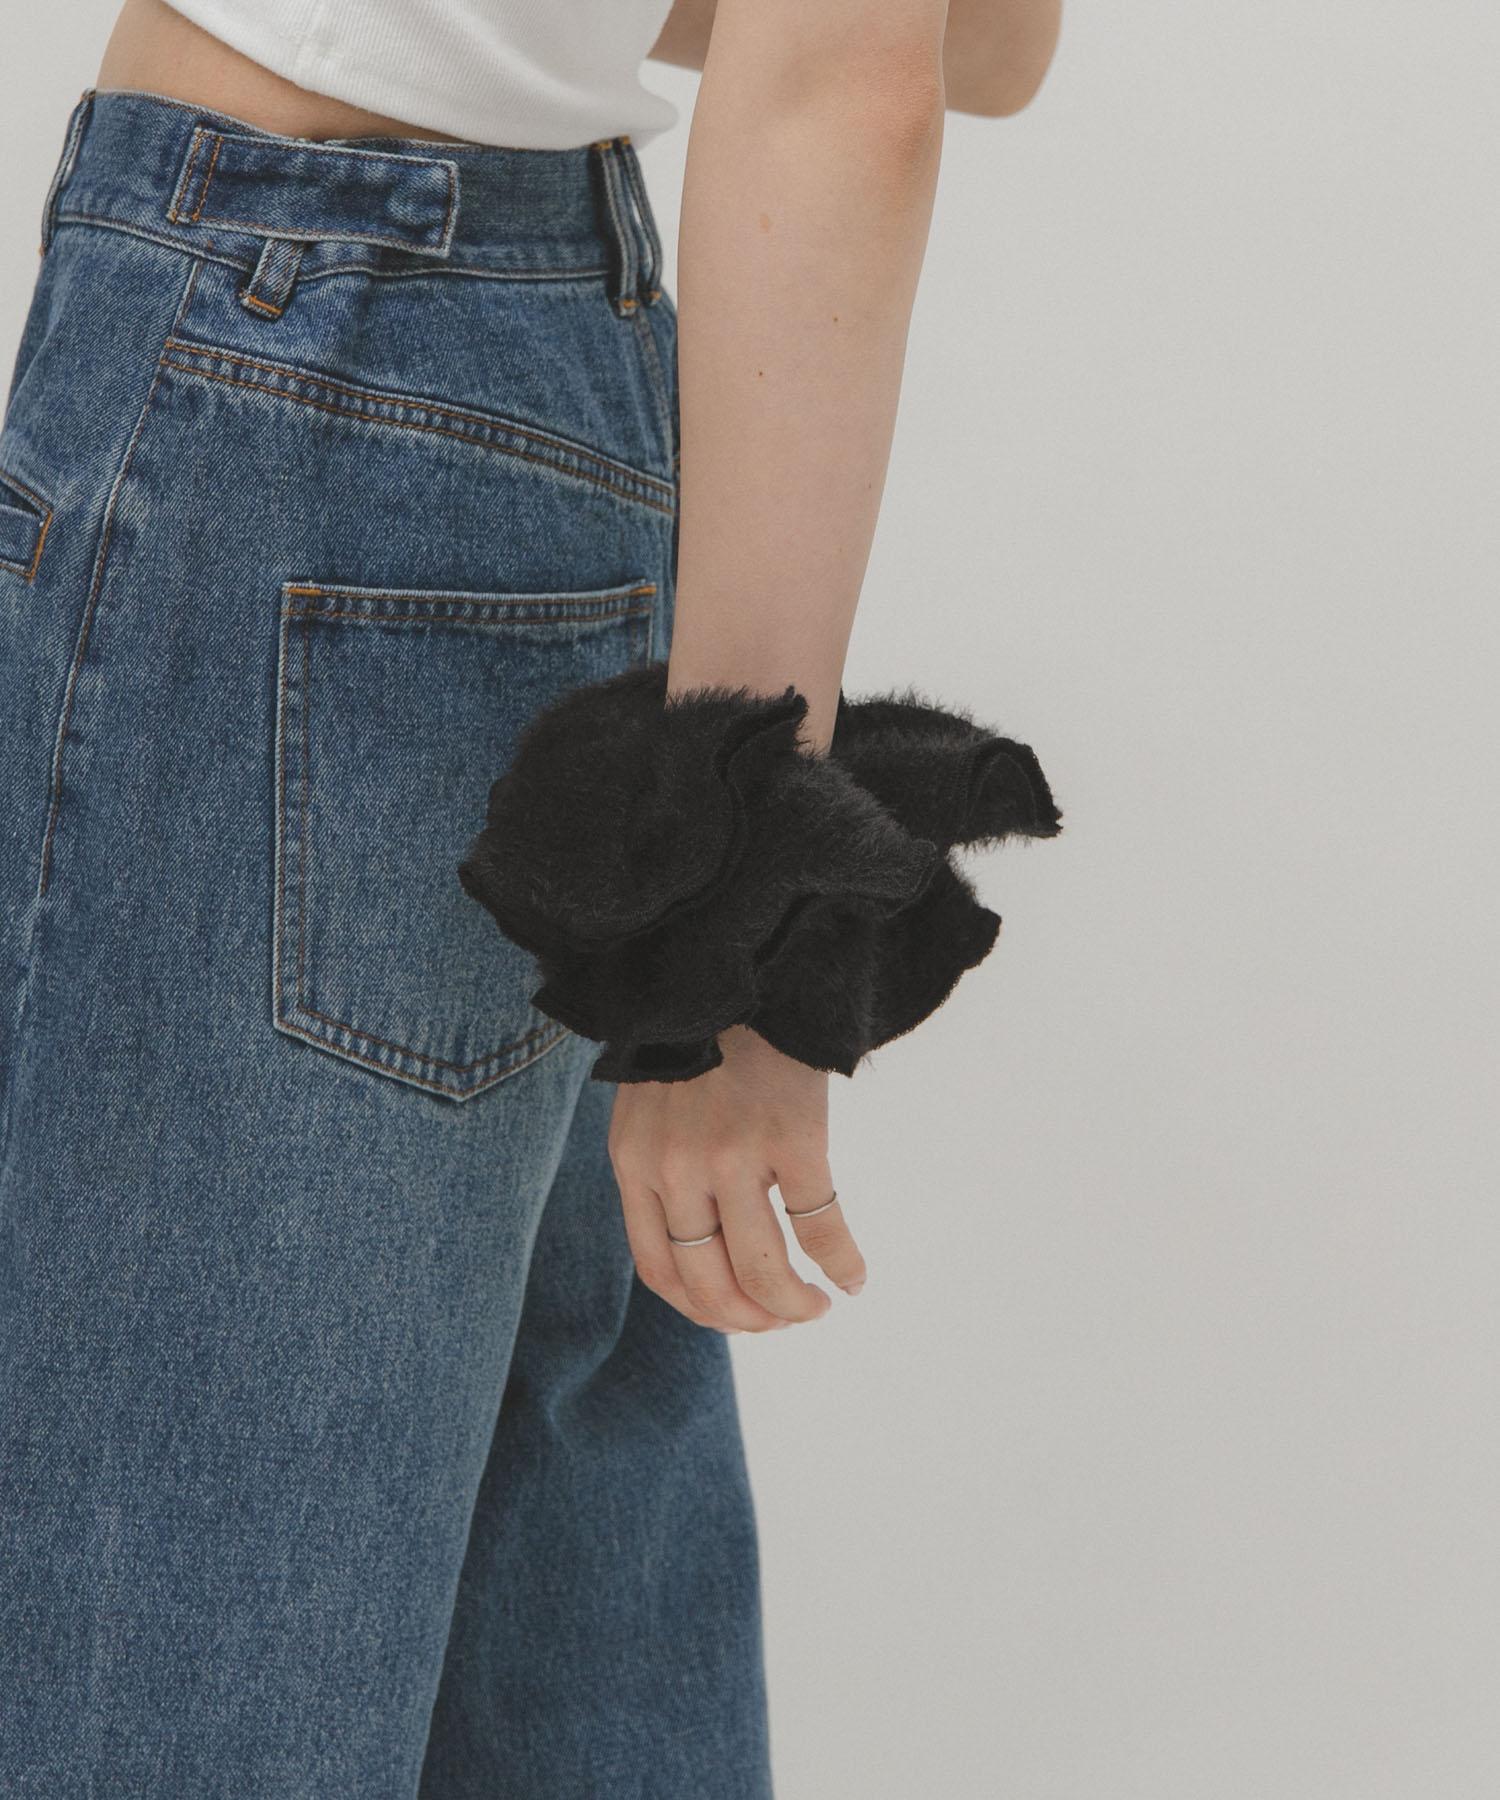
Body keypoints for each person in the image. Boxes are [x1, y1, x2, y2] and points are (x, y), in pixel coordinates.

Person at [0, 0, 1061, 1792]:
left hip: (306, 348)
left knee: (173, 1626)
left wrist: (728, 902)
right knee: (555, 1600)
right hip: (520, 364)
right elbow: (993, 41)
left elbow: (860, 71)